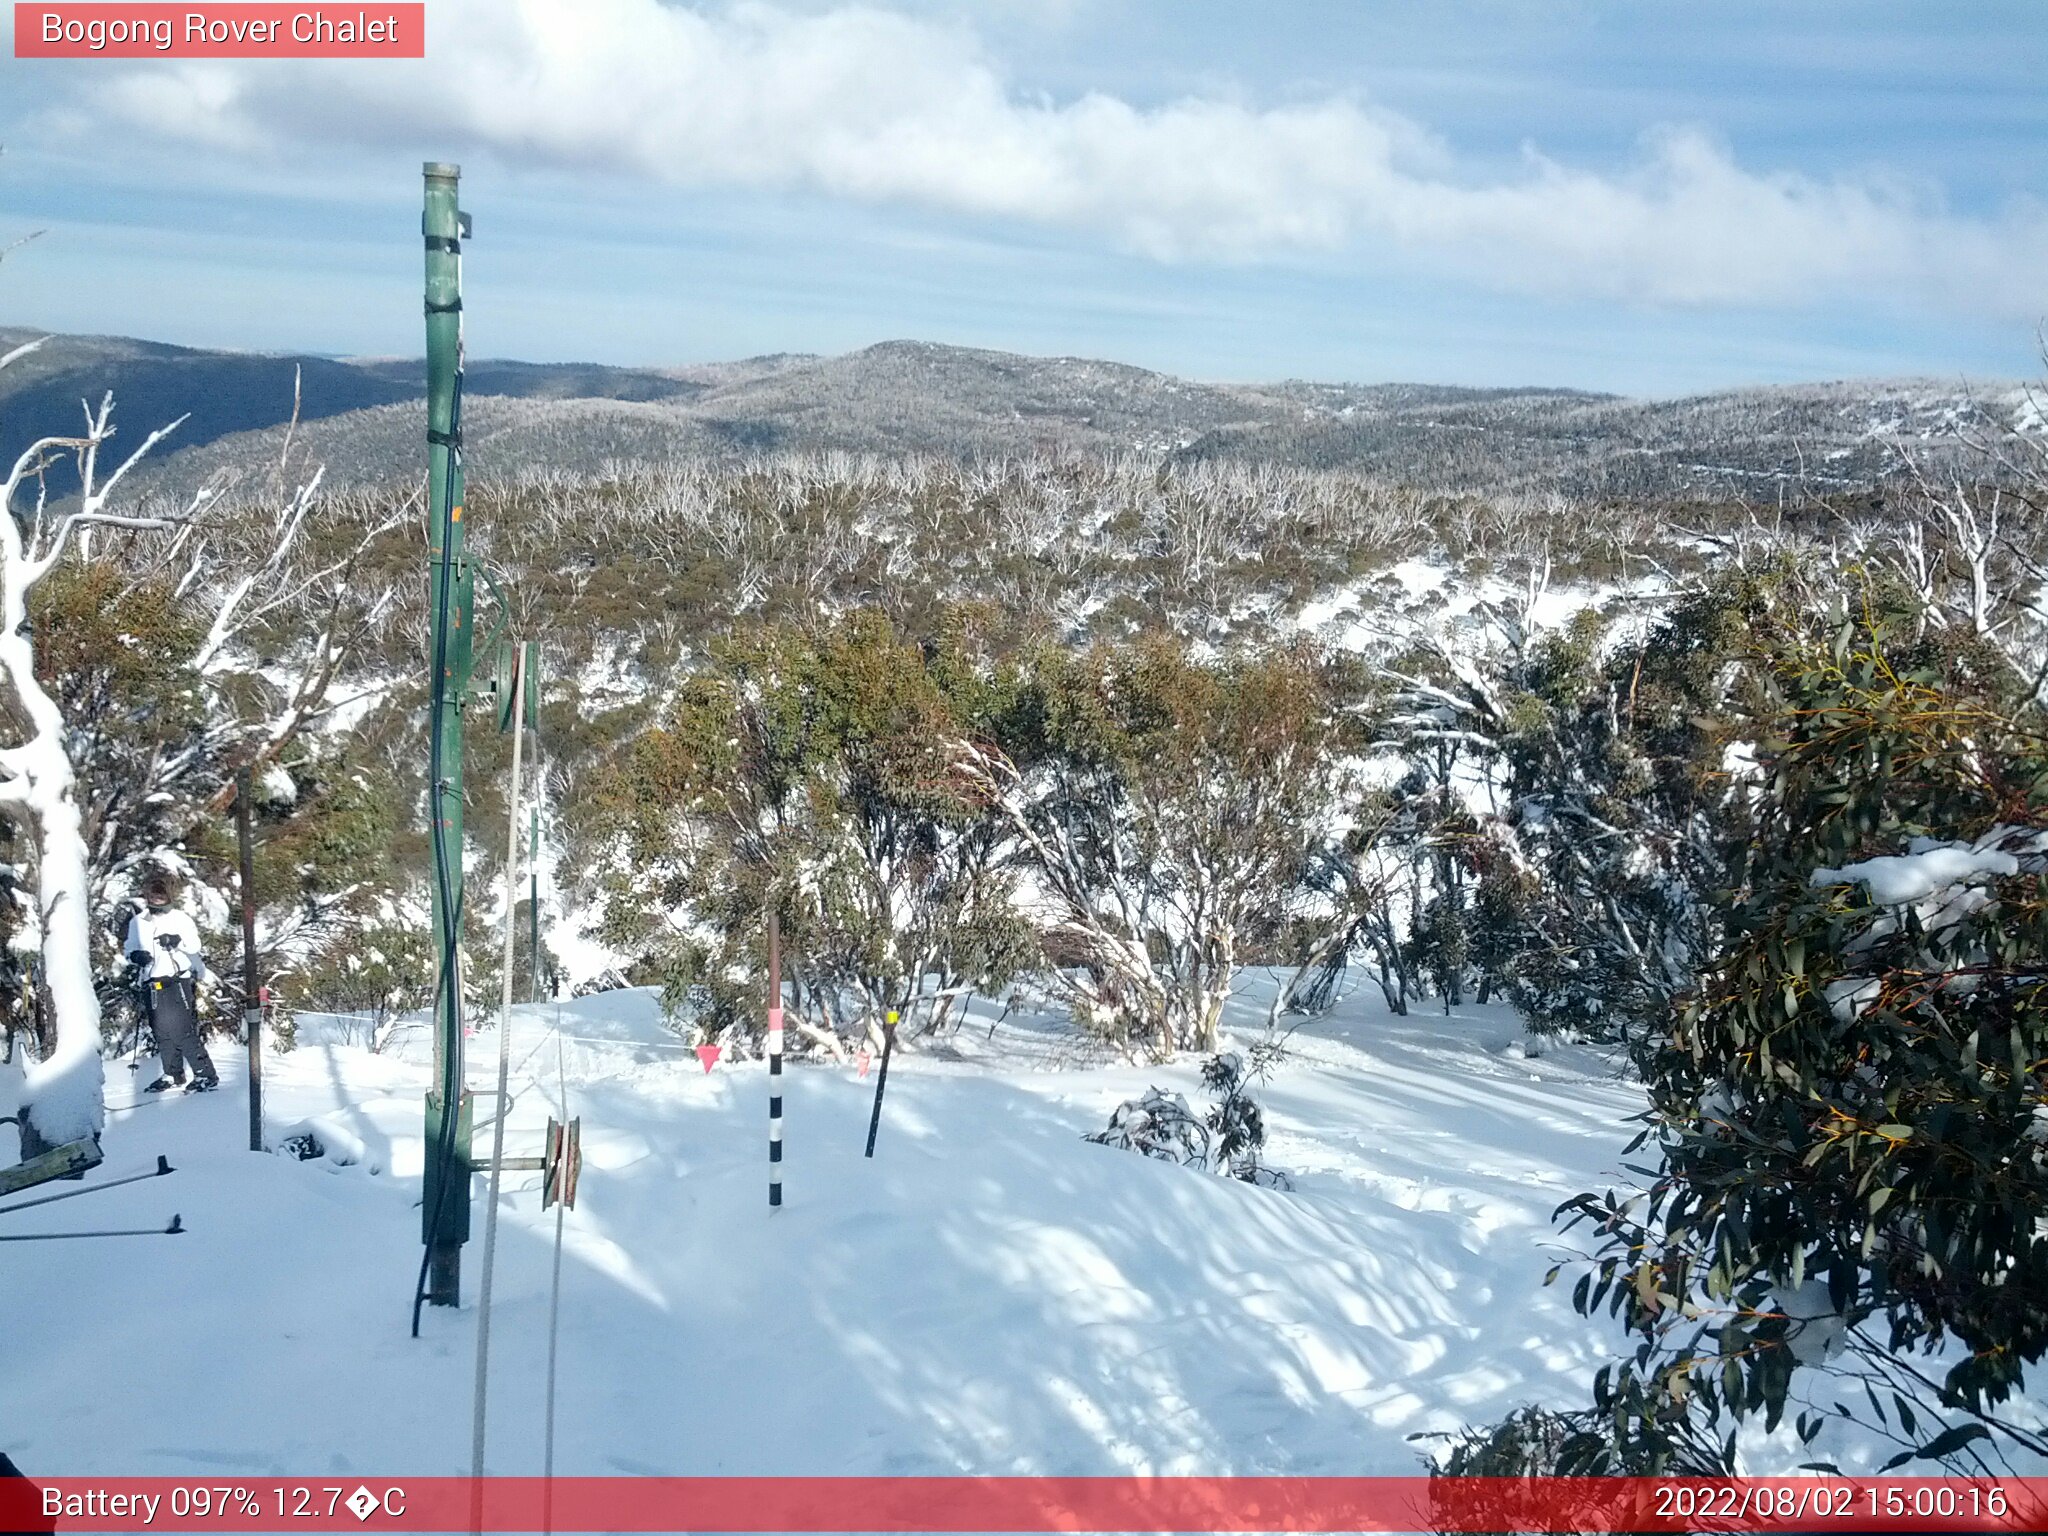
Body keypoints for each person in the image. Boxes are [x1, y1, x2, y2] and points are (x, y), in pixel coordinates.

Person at [125, 869, 219, 1093]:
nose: (157, 898)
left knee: (182, 1030)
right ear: (147, 896)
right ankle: (172, 1073)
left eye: (161, 894)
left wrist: (177, 941)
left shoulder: (180, 919)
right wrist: (135, 956)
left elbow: (195, 947)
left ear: (169, 896)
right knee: (161, 1031)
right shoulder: (138, 922)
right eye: (153, 894)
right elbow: (129, 948)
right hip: (151, 982)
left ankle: (206, 1074)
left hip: (176, 981)